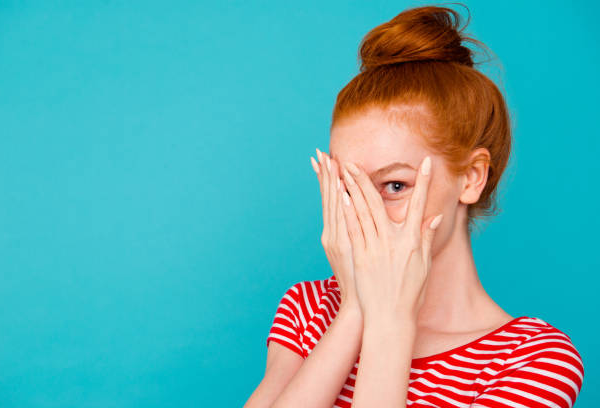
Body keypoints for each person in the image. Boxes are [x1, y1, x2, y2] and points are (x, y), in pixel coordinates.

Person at [245, 4, 584, 408]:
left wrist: (390, 321)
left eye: (393, 185)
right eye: (349, 189)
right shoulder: (311, 308)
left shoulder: (531, 359)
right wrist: (354, 308)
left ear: (472, 177)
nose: (364, 214)